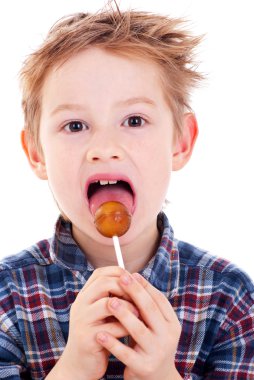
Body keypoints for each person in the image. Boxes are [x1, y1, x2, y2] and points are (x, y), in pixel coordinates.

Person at [0, 3, 253, 380]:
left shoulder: (229, 298)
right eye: (74, 125)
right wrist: (74, 369)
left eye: (134, 120)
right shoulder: (8, 298)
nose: (105, 146)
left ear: (180, 143)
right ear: (36, 153)